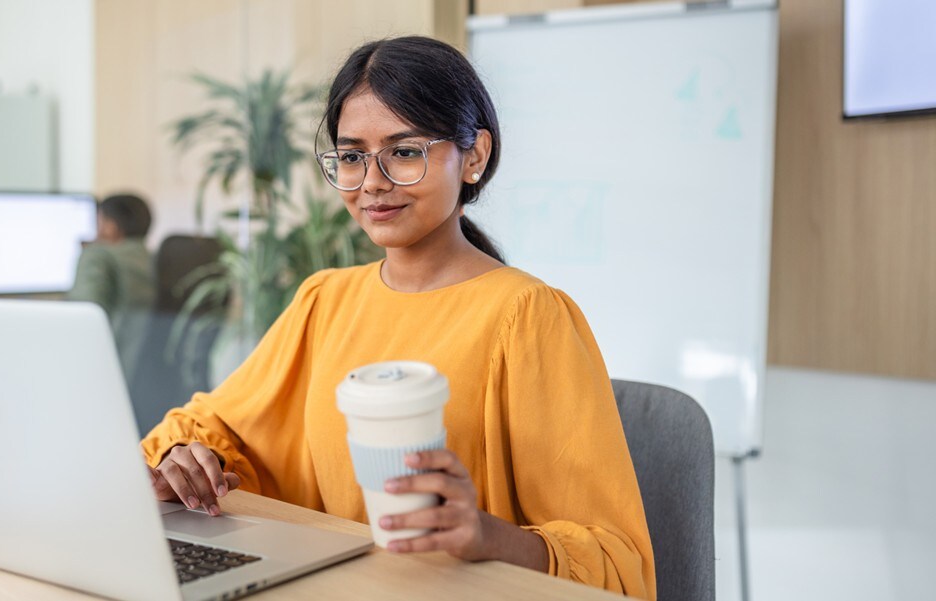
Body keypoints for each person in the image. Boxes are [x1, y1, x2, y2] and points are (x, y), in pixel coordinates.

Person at [141, 37, 655, 598]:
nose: (372, 182)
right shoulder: (324, 300)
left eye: (404, 152)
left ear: (474, 157)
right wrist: (190, 462)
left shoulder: (528, 316)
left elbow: (616, 560)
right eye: (352, 155)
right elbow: (223, 432)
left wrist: (487, 535)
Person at [68, 193, 155, 394]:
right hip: (147, 384)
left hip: (108, 378)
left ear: (111, 226)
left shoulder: (98, 257)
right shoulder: (159, 259)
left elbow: (80, 322)